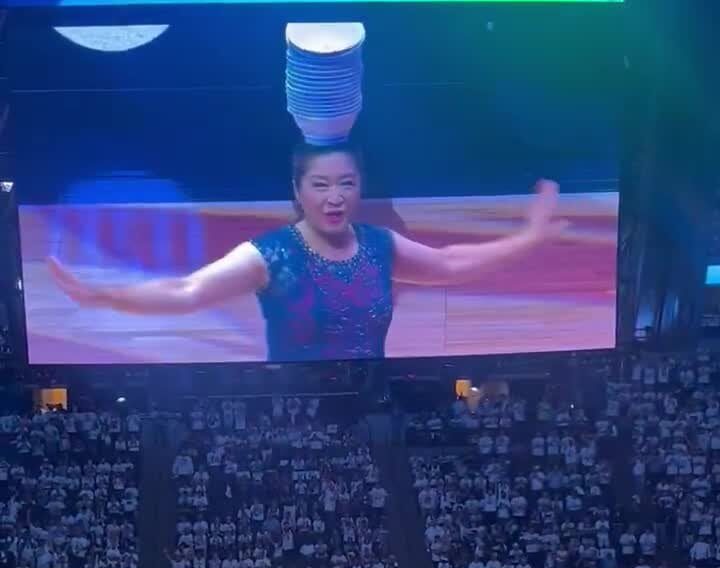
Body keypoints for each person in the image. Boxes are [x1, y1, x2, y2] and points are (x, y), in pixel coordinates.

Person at [49, 144, 566, 362]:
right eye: (320, 184)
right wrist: (100, 295)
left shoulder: (381, 246)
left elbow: (452, 263)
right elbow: (188, 290)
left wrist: (529, 238)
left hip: (372, 412)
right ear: (298, 190)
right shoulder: (270, 254)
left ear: (360, 187)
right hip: (288, 420)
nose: (335, 197)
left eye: (346, 183)